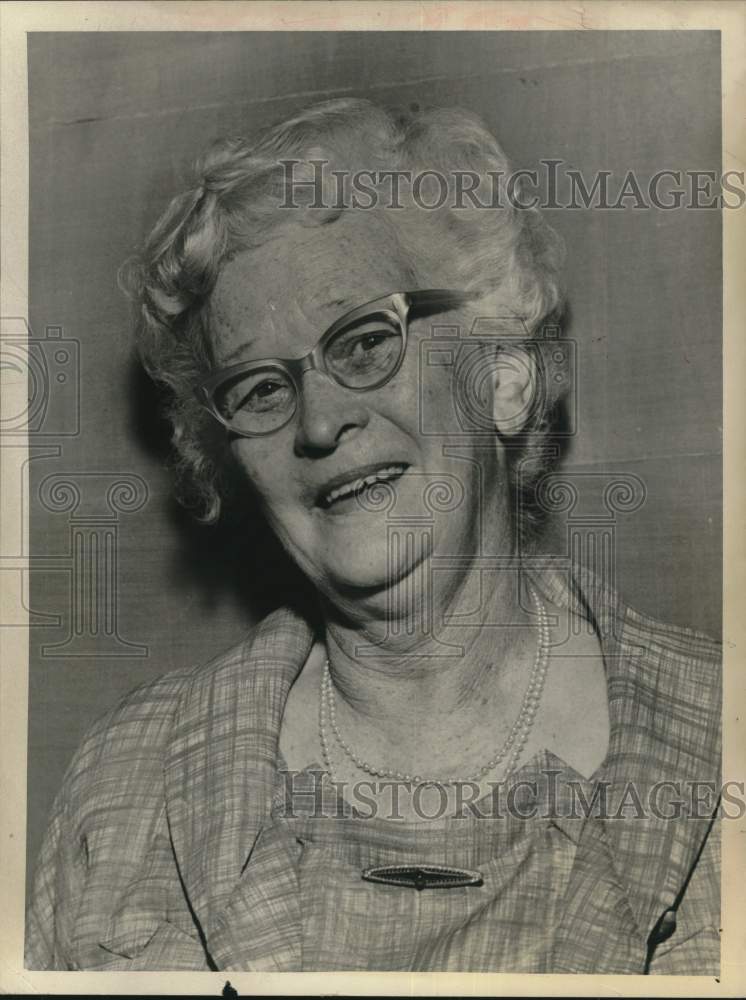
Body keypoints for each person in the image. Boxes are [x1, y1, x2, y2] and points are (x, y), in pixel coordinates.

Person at [26, 98, 721, 974]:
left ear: (504, 374)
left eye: (363, 343)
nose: (318, 421)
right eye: (261, 389)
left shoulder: (715, 739)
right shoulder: (125, 789)